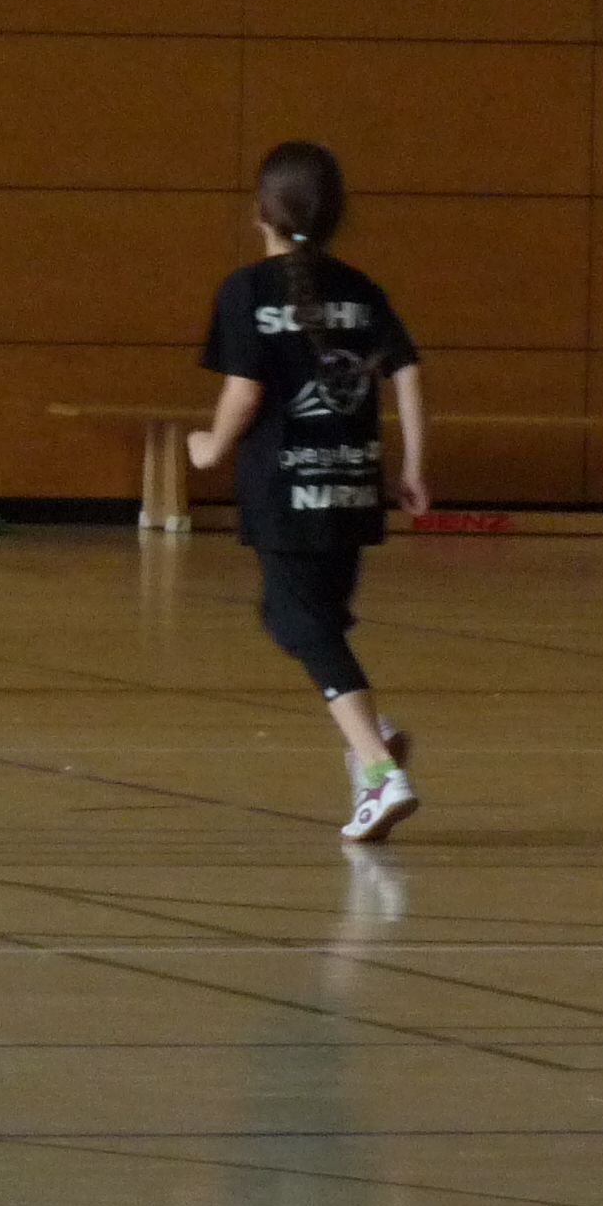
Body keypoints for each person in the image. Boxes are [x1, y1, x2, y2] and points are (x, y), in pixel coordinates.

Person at [187, 140, 428, 844]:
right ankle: (369, 738)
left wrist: (210, 447)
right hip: (353, 485)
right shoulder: (362, 288)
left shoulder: (245, 290)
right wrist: (414, 467)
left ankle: (379, 768)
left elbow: (243, 392)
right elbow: (409, 371)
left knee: (303, 628)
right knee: (302, 618)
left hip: (284, 490)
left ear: (259, 210)